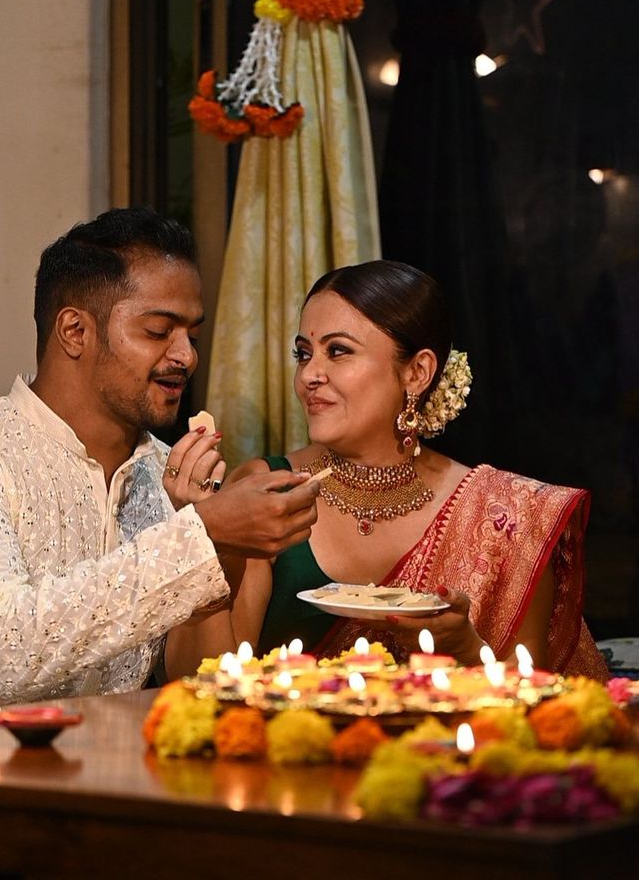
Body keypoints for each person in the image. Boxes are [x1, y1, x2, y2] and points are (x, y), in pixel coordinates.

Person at [0, 206, 320, 714]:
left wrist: (220, 553)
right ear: (75, 331)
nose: (185, 355)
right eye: (158, 330)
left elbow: (195, 685)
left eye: (193, 334)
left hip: (117, 781)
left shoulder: (169, 471)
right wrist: (200, 537)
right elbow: (0, 655)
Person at [165, 260, 608, 681]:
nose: (308, 376)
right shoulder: (265, 492)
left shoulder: (506, 516)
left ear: (417, 372)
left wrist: (465, 648)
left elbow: (535, 696)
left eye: (337, 351)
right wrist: (206, 538)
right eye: (303, 354)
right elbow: (197, 681)